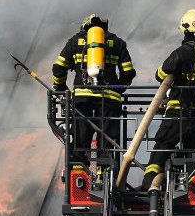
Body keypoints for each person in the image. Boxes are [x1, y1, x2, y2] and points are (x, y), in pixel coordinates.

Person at [140, 9, 195, 190]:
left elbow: (160, 75)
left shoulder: (182, 52)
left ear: (186, 30)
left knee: (161, 149)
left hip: (177, 111)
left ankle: (148, 187)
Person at [52, 13, 136, 167]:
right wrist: (118, 89)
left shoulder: (74, 42)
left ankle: (78, 168)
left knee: (80, 137)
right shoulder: (117, 42)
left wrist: (61, 88)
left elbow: (58, 68)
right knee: (107, 141)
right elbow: (128, 72)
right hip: (110, 99)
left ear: (85, 27)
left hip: (82, 98)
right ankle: (104, 172)